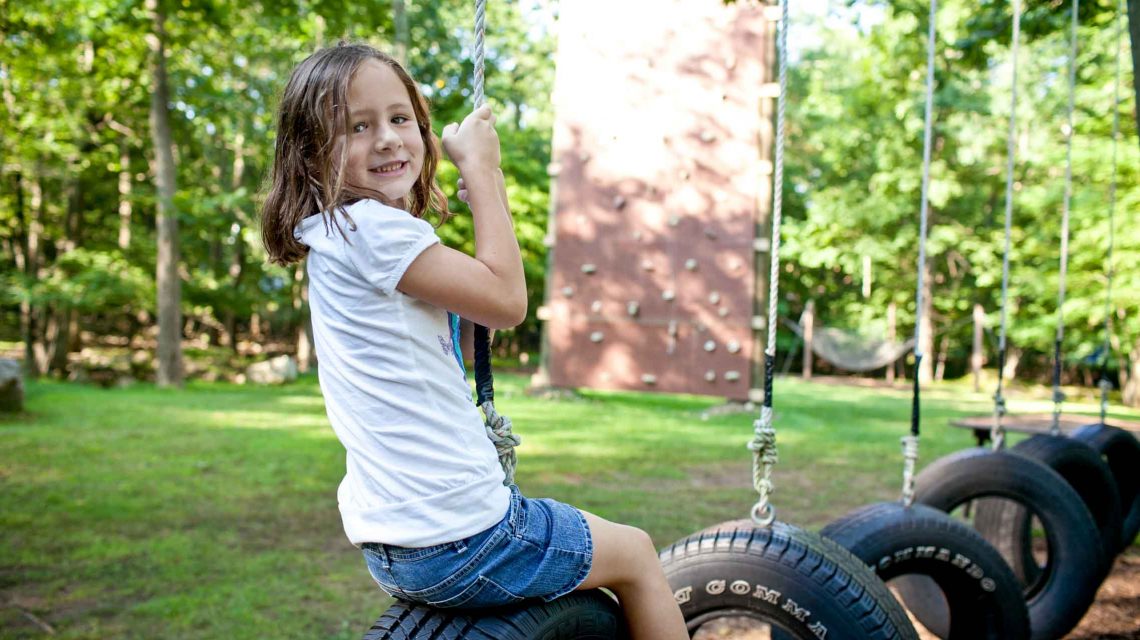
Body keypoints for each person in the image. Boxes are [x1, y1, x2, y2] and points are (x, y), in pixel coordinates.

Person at [260, 42, 687, 639]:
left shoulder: (337, 234)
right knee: (637, 555)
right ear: (310, 152)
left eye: (399, 118)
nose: (386, 138)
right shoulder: (374, 231)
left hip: (395, 543)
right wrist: (484, 176)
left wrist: (464, 175)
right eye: (358, 126)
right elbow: (507, 301)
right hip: (461, 533)